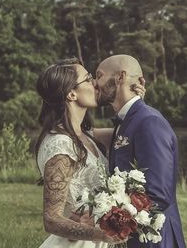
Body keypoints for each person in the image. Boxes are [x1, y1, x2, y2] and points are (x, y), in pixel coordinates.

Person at [93, 54, 186, 248]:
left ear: (120, 77)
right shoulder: (127, 121)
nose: (94, 83)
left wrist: (111, 218)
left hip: (154, 240)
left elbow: (158, 195)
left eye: (99, 76)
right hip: (133, 237)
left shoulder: (149, 122)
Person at [34, 58, 126, 248]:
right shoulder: (61, 145)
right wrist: (101, 234)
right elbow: (51, 219)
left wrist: (132, 98)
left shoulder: (85, 136)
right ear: (71, 94)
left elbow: (130, 133)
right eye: (88, 78)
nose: (95, 83)